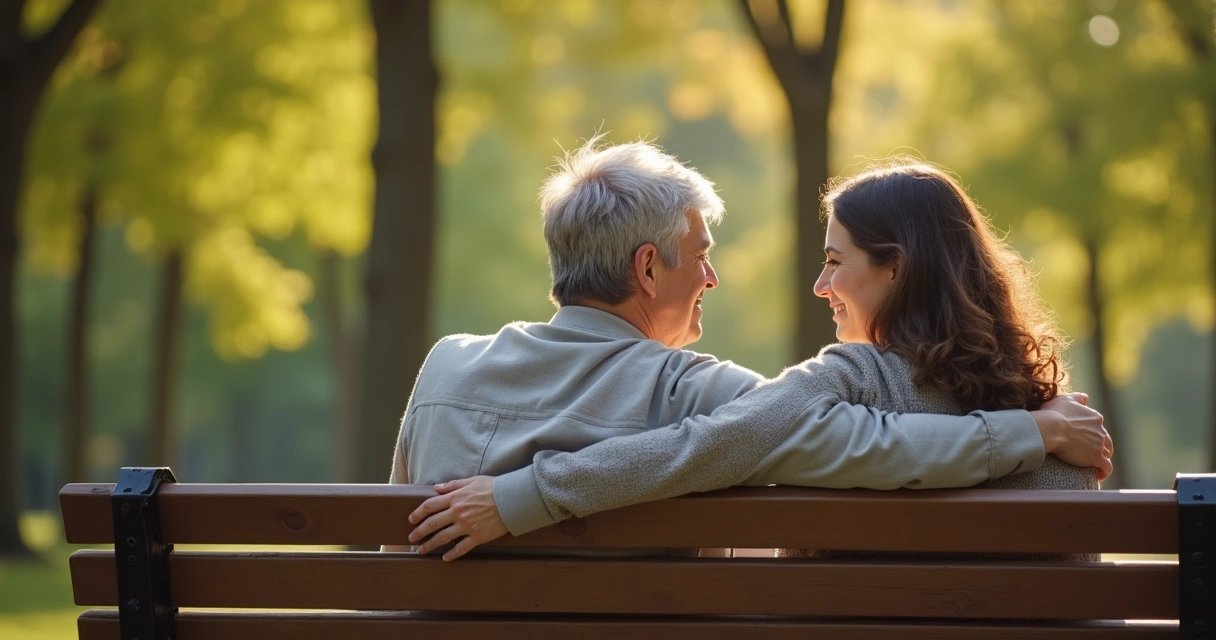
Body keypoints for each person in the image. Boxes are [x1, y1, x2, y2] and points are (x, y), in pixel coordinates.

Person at [396, 141, 1113, 560]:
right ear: (648, 269)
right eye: (699, 256)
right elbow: (878, 448)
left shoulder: (444, 364)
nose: (711, 277)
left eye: (835, 262)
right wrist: (1037, 430)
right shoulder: (709, 393)